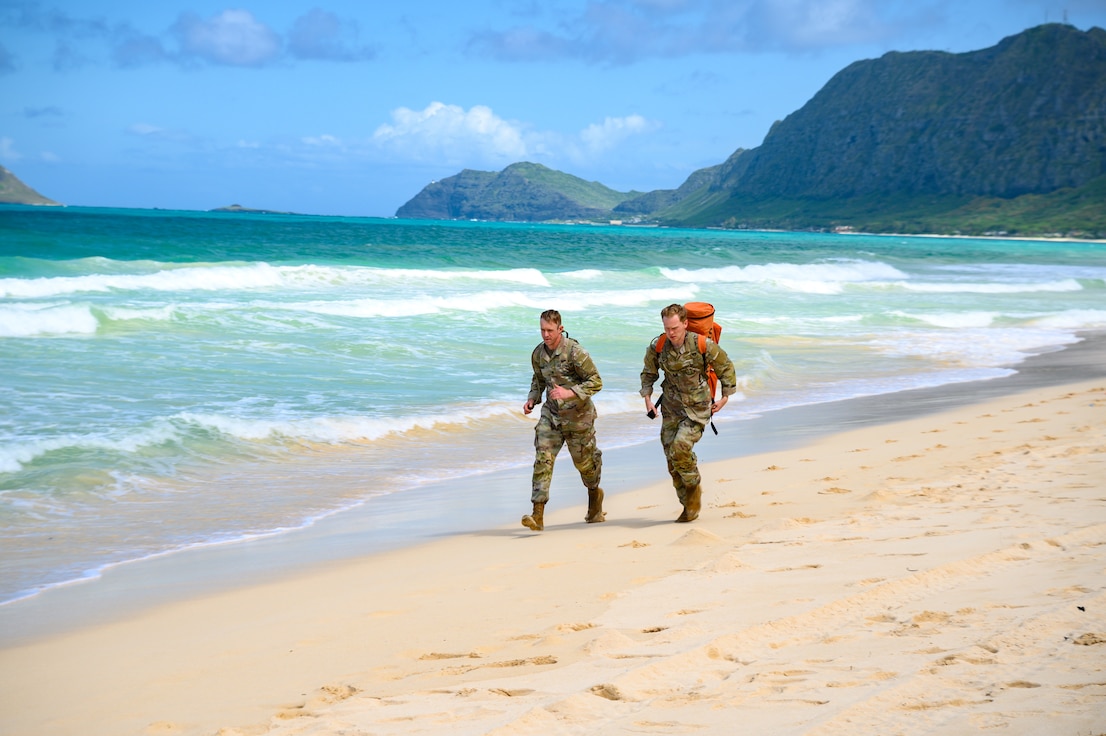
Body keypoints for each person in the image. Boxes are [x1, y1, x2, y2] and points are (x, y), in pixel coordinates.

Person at [641, 303, 737, 522]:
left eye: (675, 328)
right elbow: (648, 373)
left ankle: (693, 488)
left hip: (697, 408)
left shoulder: (703, 344)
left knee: (680, 449)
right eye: (667, 328)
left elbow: (726, 367)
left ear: (685, 324)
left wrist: (724, 397)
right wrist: (648, 400)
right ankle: (687, 504)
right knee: (671, 459)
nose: (671, 333)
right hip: (671, 408)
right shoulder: (659, 345)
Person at [521, 310, 605, 532]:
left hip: (579, 417)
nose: (545, 335)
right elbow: (539, 380)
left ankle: (595, 495)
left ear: (560, 328)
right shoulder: (538, 354)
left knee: (585, 466)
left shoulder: (575, 352)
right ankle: (537, 515)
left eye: (549, 330)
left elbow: (596, 381)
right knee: (543, 458)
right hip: (552, 416)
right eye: (542, 330)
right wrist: (532, 398)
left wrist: (570, 392)